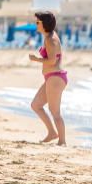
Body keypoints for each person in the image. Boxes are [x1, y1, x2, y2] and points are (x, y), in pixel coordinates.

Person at [28, 11, 67, 145]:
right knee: (36, 105)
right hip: (52, 78)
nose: (36, 24)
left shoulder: (51, 39)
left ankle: (62, 142)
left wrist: (36, 59)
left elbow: (51, 61)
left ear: (44, 24)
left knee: (55, 112)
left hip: (56, 78)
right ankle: (52, 133)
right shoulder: (49, 37)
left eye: (37, 22)